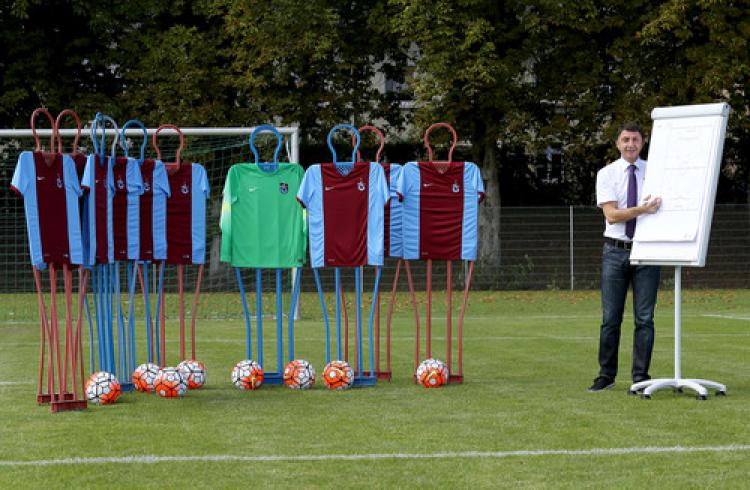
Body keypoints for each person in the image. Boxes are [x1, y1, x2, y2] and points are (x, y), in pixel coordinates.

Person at [589, 122, 662, 392]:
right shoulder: (607, 174)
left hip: (647, 251)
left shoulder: (655, 173)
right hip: (615, 252)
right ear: (617, 144)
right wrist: (643, 209)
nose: (631, 144)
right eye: (625, 139)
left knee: (645, 318)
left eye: (635, 139)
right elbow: (612, 214)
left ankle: (641, 377)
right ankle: (606, 375)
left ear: (643, 143)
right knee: (611, 318)